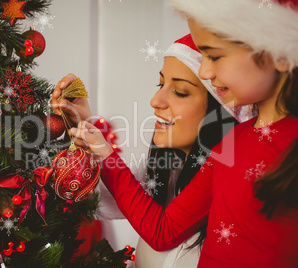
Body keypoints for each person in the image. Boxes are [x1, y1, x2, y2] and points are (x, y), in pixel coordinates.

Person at [66, 0, 298, 267]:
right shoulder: (231, 143)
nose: (205, 71)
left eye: (215, 55)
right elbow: (161, 230)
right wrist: (98, 148)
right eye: (160, 83)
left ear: (278, 54)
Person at [51, 34, 251, 267]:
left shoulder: (231, 189)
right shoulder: (169, 167)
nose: (155, 100)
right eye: (161, 84)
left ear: (220, 113)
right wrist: (82, 125)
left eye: (180, 92)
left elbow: (160, 232)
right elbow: (100, 200)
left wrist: (105, 154)